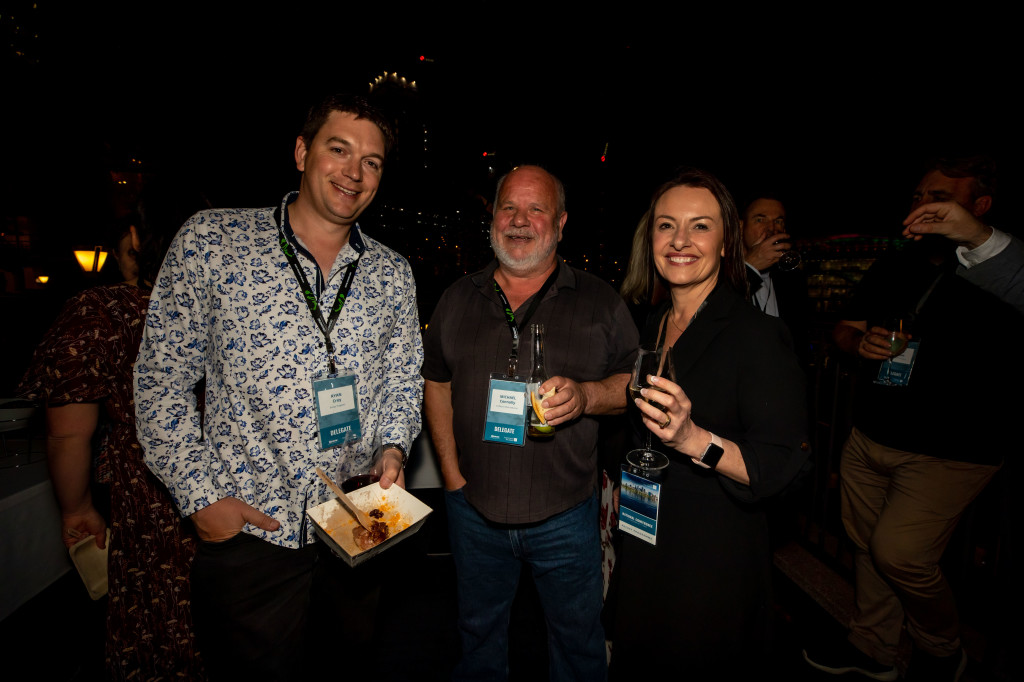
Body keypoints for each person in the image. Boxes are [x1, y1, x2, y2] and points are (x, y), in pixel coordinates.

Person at [134, 94, 423, 681]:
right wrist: (201, 499)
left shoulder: (392, 273)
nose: (354, 172)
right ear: (301, 152)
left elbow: (402, 378)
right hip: (251, 533)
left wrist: (393, 448)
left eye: (371, 162)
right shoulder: (214, 241)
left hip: (356, 522)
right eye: (338, 149)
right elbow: (160, 379)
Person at [803, 156, 1024, 681]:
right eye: (919, 196)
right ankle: (873, 646)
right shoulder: (896, 262)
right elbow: (846, 327)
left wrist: (977, 240)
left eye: (940, 197)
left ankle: (941, 648)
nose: (923, 206)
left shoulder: (1000, 270)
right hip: (870, 434)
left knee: (899, 553)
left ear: (980, 205)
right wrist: (860, 342)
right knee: (865, 546)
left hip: (952, 449)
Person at [422, 164, 639, 681]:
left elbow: (635, 383)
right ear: (493, 218)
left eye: (536, 209)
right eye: (508, 207)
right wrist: (451, 477)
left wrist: (587, 396)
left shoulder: (601, 302)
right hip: (472, 511)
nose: (519, 220)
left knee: (577, 646)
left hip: (566, 515)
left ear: (560, 223)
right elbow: (436, 383)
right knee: (478, 639)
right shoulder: (457, 298)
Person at [608, 168, 810, 678]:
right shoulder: (655, 323)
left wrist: (694, 439)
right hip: (648, 534)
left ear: (725, 243)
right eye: (666, 225)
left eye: (700, 226)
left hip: (710, 555)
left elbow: (781, 466)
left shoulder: (756, 335)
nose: (679, 240)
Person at [19, 182, 209, 680]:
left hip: (146, 500)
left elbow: (68, 435)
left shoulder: (100, 313)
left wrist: (77, 509)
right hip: (228, 491)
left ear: (136, 238)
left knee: (157, 628)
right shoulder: (232, 315)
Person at [740, 193, 812, 363]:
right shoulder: (717, 273)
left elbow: (799, 340)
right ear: (740, 227)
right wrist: (749, 267)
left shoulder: (792, 278)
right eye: (760, 220)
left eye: (778, 221)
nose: (772, 229)